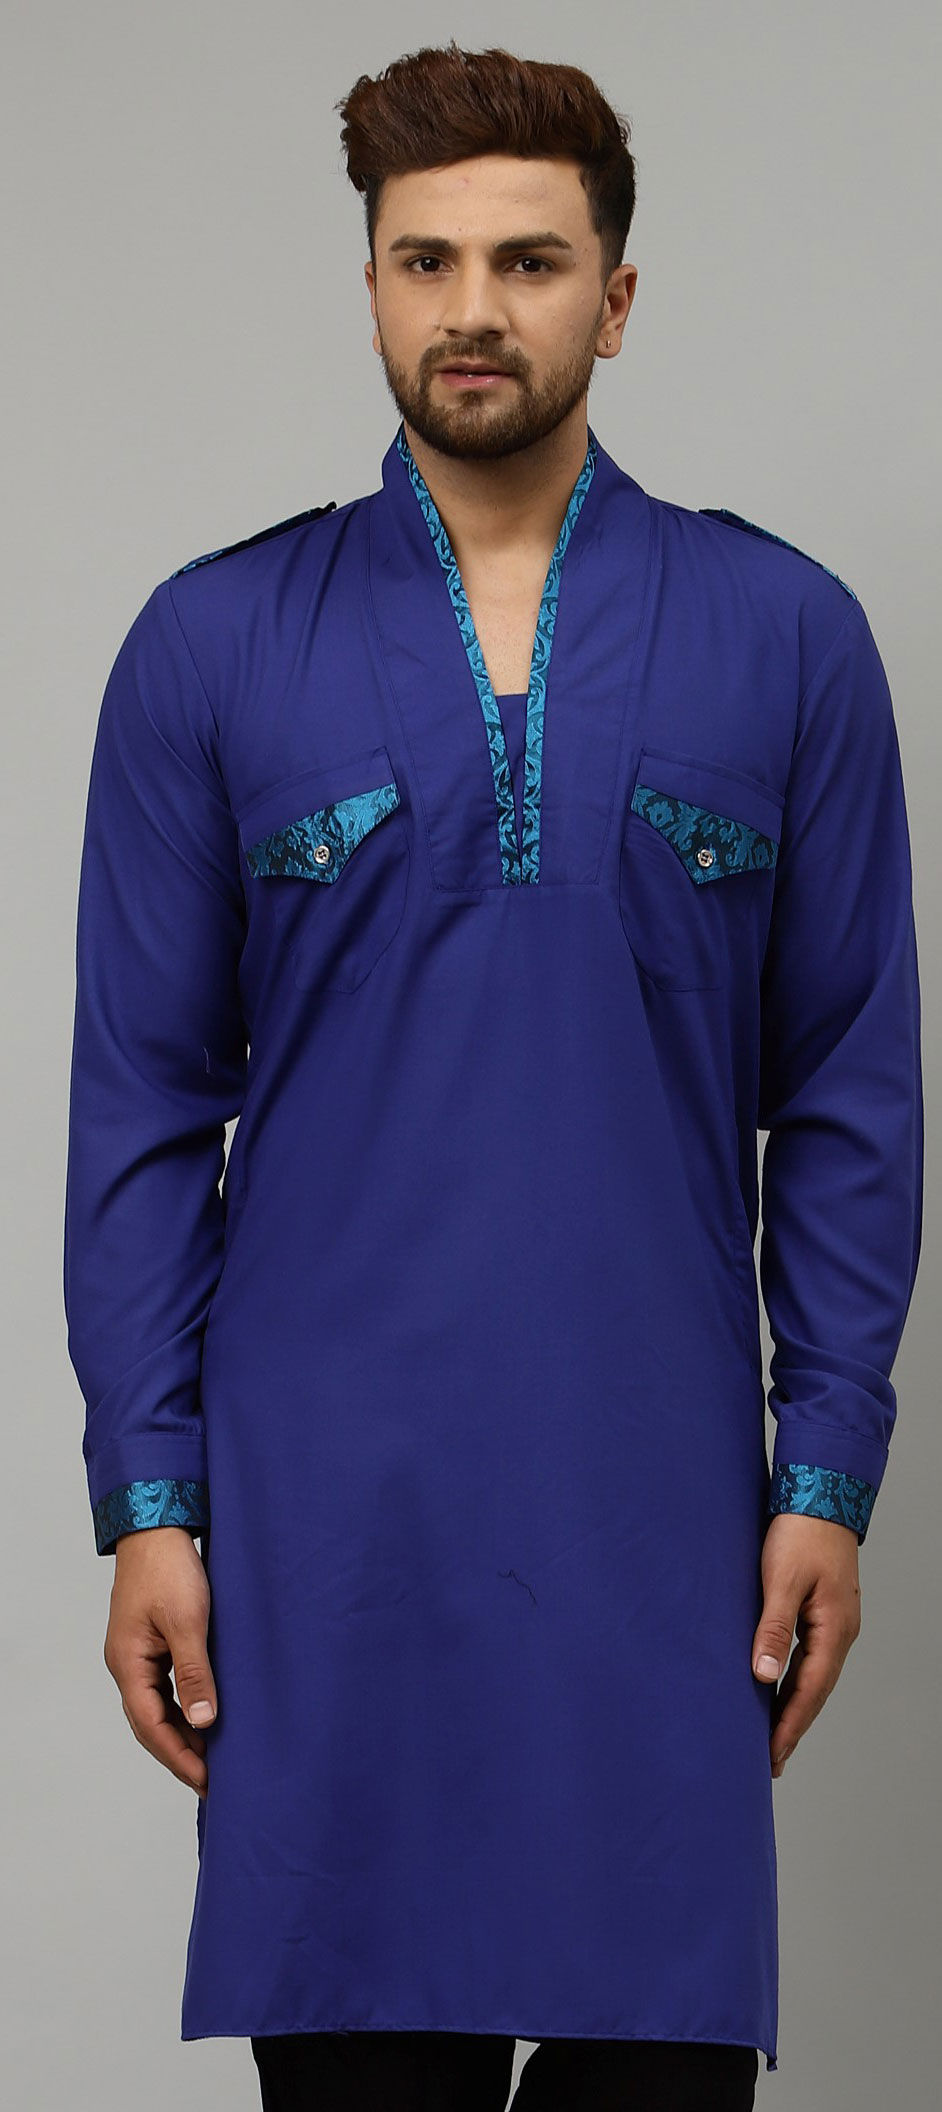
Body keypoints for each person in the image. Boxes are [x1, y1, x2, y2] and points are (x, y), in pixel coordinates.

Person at [63, 38, 923, 2112]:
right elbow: (141, 1115)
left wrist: (825, 1473)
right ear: (367, 287)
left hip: (659, 1516)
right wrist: (151, 1508)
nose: (472, 309)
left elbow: (850, 1091)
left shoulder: (785, 636)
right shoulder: (211, 645)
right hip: (323, 1528)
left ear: (612, 300)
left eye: (527, 262)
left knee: (658, 2072)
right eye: (424, 261)